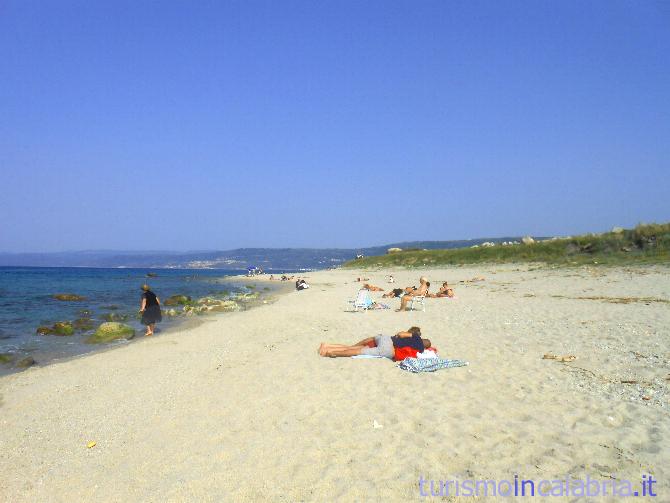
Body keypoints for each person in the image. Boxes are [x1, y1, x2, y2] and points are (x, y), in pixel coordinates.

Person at [318, 326, 430, 358]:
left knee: (355, 348)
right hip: (388, 349)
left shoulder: (416, 337)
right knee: (359, 352)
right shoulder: (420, 349)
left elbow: (401, 334)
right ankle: (329, 352)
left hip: (386, 339)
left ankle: (328, 347)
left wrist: (402, 335)